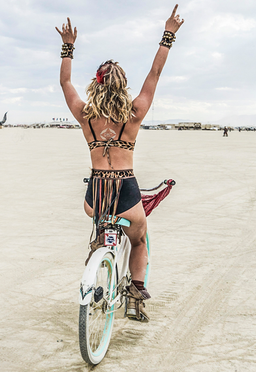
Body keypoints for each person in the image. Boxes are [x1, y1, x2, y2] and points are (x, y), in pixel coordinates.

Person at [58, 5, 183, 322]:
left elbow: (65, 84)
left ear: (96, 84)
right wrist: (168, 34)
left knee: (101, 226)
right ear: (123, 85)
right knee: (139, 238)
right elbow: (154, 74)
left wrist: (67, 47)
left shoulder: (86, 115)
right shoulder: (135, 112)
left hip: (96, 196)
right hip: (126, 191)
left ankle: (100, 250)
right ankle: (135, 299)